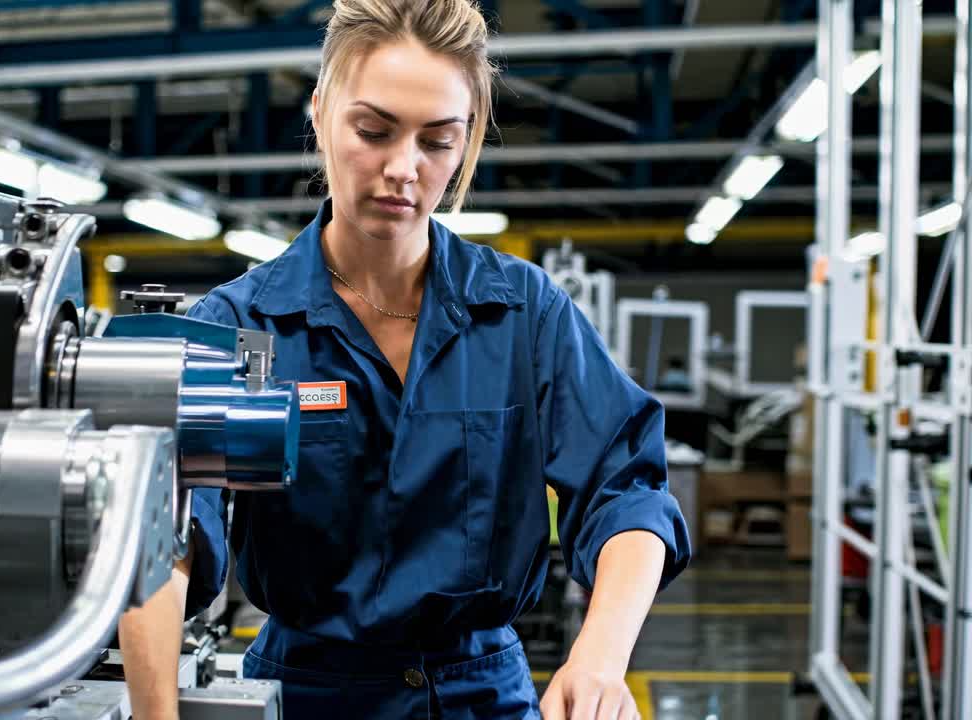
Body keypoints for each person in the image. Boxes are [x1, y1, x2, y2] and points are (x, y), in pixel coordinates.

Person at [118, 0, 691, 717]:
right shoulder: (239, 326)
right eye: (373, 131)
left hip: (481, 696)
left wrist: (600, 656)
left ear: (468, 138)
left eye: (437, 141)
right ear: (321, 113)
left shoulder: (524, 314)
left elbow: (626, 487)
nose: (403, 169)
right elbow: (164, 536)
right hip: (307, 696)